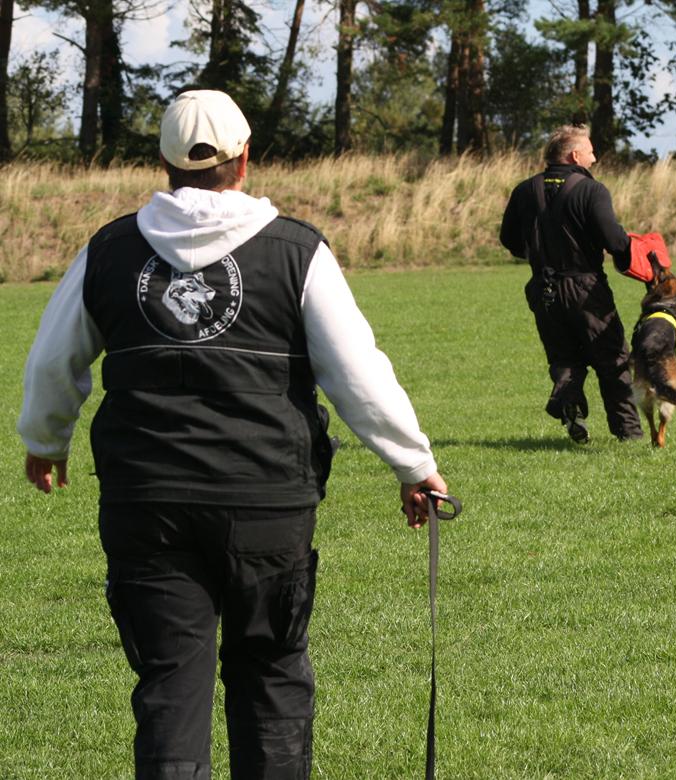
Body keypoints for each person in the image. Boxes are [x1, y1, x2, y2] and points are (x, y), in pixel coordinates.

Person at [18, 89, 448, 780]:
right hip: (267, 504)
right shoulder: (297, 250)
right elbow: (357, 373)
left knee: (169, 686)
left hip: (147, 501)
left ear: (162, 162)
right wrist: (413, 464)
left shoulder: (111, 248)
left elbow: (51, 359)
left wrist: (46, 441)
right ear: (246, 158)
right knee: (271, 679)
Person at [499, 125, 643, 443]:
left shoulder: (524, 190)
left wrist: (537, 254)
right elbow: (613, 240)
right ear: (575, 155)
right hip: (586, 289)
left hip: (543, 289)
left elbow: (508, 239)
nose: (594, 157)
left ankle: (568, 405)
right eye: (591, 151)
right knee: (613, 359)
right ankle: (628, 433)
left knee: (565, 357)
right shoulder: (592, 191)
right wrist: (630, 249)